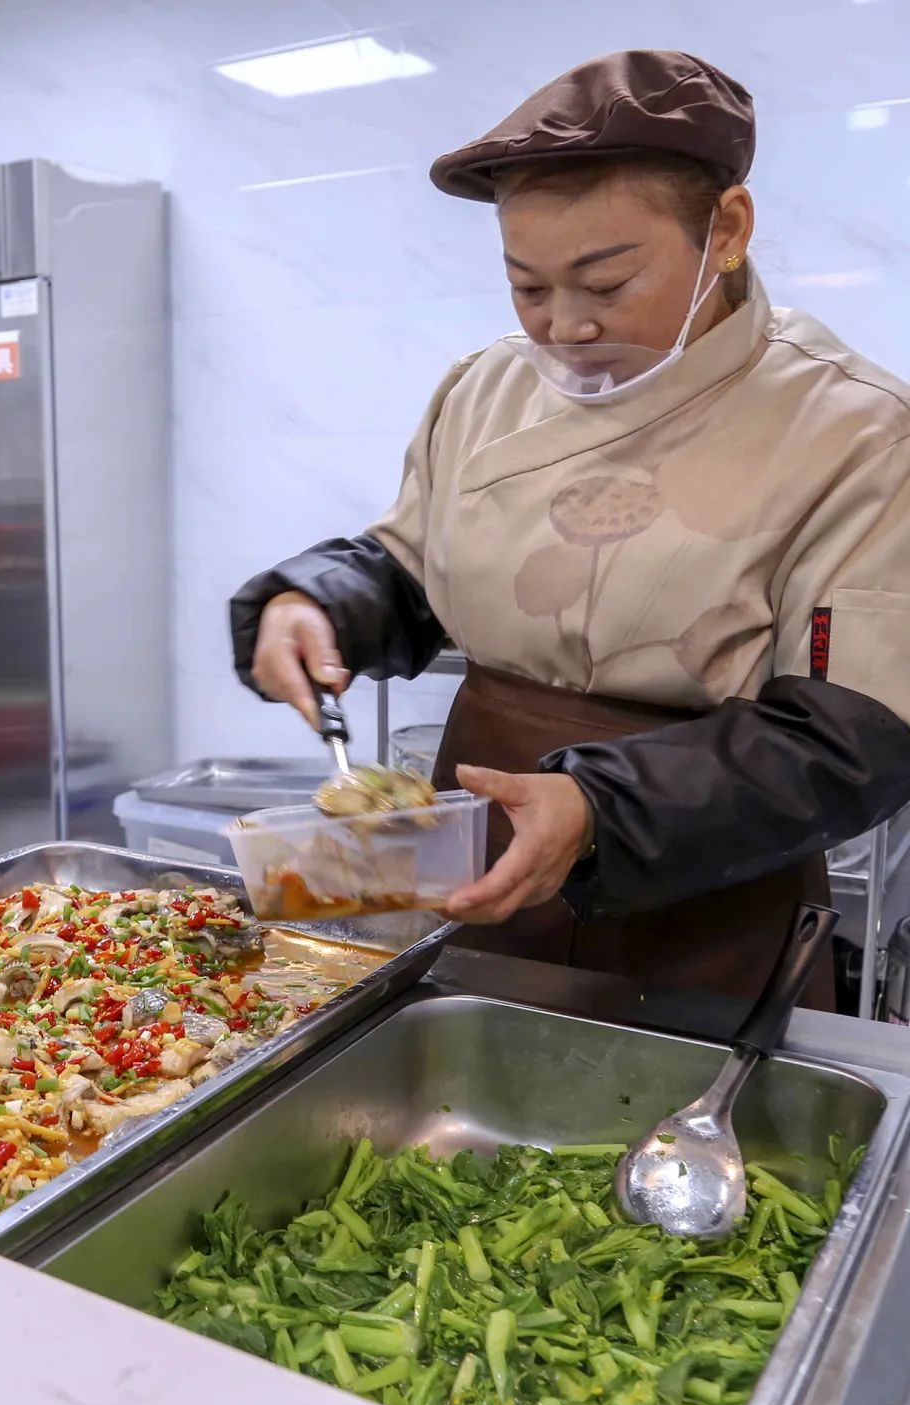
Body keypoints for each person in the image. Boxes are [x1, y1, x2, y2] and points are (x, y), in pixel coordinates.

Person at [230, 49, 910, 1006]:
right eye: (529, 287)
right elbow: (419, 568)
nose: (564, 329)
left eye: (606, 283)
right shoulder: (487, 386)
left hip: (704, 903)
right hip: (474, 877)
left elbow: (850, 739)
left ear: (726, 230)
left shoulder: (855, 429)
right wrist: (320, 602)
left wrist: (599, 807)